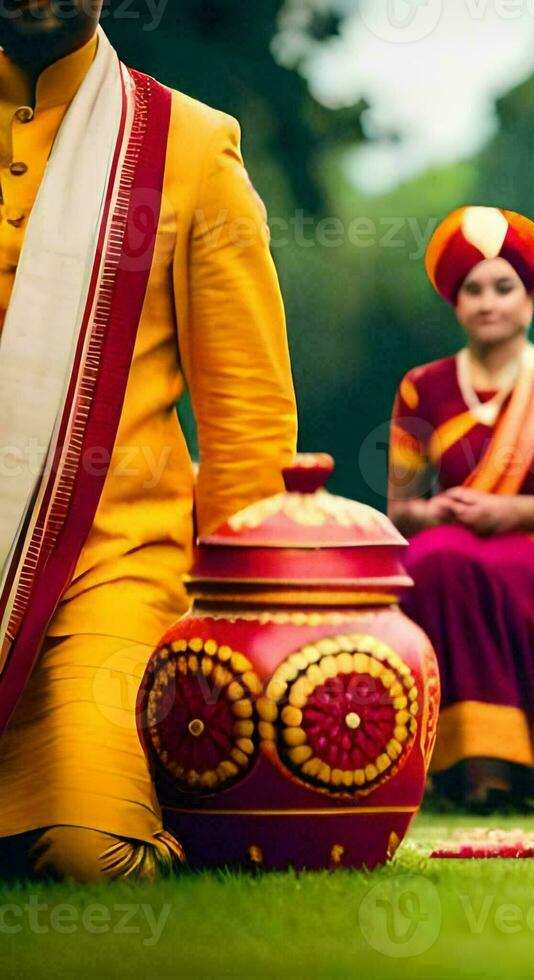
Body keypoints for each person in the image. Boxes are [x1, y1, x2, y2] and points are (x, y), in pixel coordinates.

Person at [0, 7, 297, 881]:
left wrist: (247, 637)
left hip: (107, 570)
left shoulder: (188, 145)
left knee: (94, 858)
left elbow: (245, 415)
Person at [388, 206, 534, 809]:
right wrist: (440, 513)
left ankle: (521, 766)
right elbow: (401, 510)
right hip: (454, 534)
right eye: (472, 290)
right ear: (455, 303)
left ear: (528, 298)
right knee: (431, 561)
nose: (488, 302)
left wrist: (516, 514)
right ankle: (456, 764)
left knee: (495, 567)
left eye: (503, 287)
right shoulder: (422, 385)